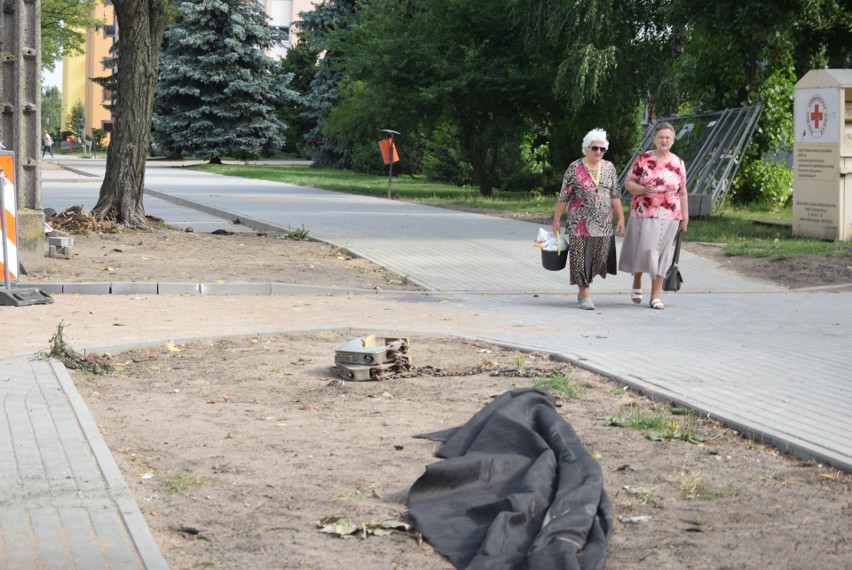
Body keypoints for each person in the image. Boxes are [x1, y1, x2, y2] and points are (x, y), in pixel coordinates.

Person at [552, 128, 625, 310]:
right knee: (580, 259)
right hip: (579, 223)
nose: (598, 152)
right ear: (586, 148)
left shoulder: (609, 168)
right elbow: (563, 196)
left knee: (598, 260)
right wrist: (556, 220)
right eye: (595, 148)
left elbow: (615, 194)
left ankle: (584, 285)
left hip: (603, 224)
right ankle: (585, 294)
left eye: (602, 149)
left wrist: (621, 219)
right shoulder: (574, 168)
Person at [618, 121, 689, 310]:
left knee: (663, 255)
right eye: (660, 137)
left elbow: (682, 192)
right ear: (654, 139)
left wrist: (685, 217)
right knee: (645, 250)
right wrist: (643, 189)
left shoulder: (678, 163)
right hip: (644, 213)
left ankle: (655, 296)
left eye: (667, 137)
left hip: (671, 215)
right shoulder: (643, 159)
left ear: (673, 140)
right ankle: (637, 282)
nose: (664, 140)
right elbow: (628, 183)